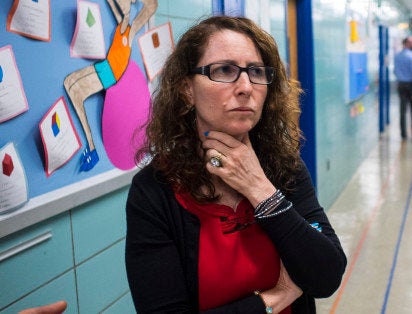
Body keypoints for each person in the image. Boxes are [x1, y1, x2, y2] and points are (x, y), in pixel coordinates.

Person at [124, 16, 347, 313]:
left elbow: (327, 276)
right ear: (187, 90)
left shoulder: (284, 167)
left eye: (256, 72)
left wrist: (260, 189)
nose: (245, 86)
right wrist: (273, 299)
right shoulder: (155, 190)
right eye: (225, 70)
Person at [63, 0, 157, 171]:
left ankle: (91, 148)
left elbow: (151, 6)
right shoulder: (122, 23)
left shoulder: (131, 30)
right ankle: (91, 146)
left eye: (125, 3)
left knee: (74, 89)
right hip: (106, 68)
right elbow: (118, 7)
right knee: (70, 84)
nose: (121, 6)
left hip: (112, 74)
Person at [393, 36, 412, 139]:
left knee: (402, 111)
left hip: (401, 85)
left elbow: (395, 71)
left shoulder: (396, 56)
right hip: (411, 85)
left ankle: (403, 133)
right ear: (407, 43)